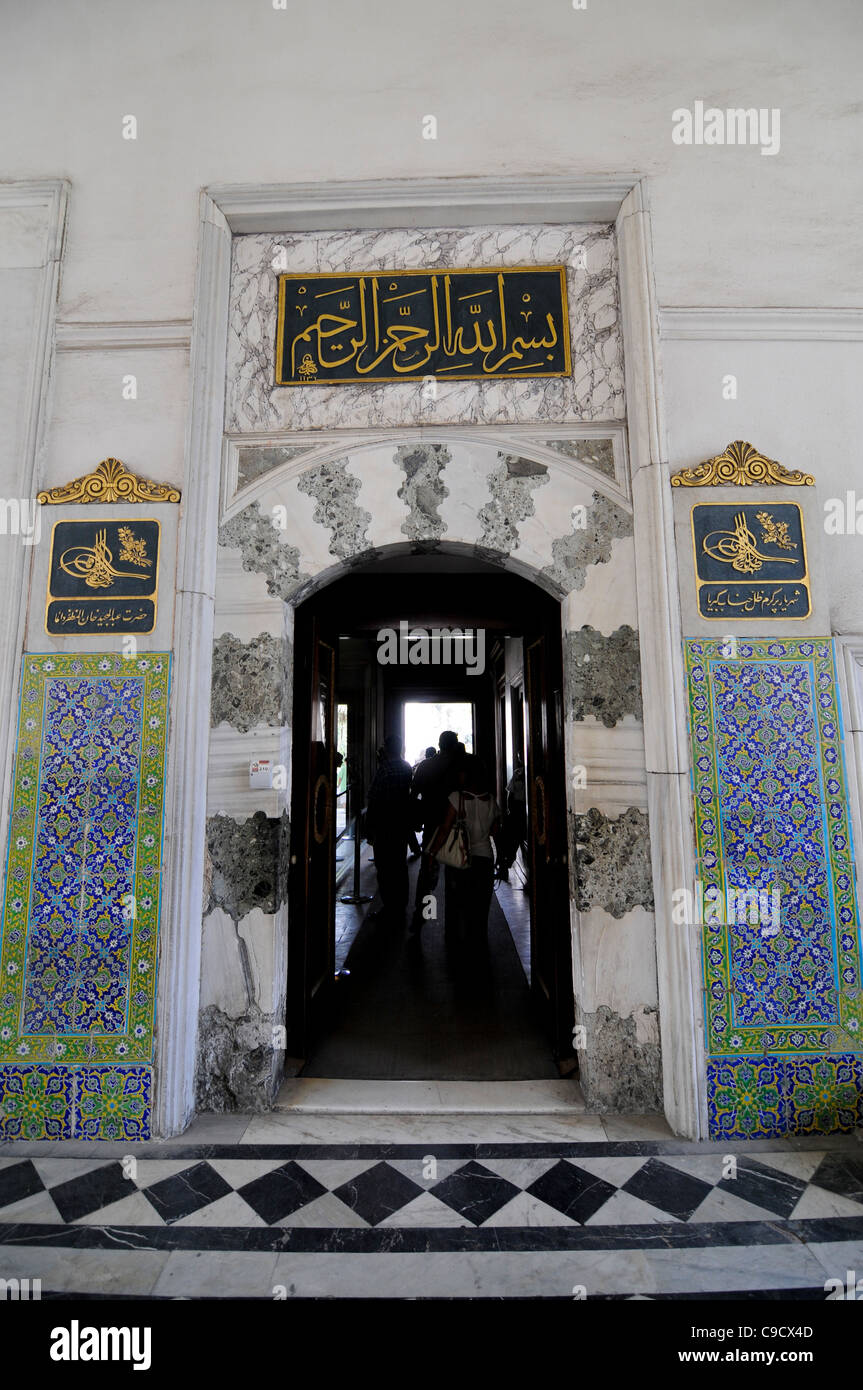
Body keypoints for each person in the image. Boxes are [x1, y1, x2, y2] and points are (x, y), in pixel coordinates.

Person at [429, 755, 500, 946]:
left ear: (466, 774)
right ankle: (478, 941)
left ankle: (457, 944)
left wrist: (431, 853)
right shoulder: (491, 800)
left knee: (458, 902)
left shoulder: (456, 798)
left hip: (461, 858)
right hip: (485, 857)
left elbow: (445, 830)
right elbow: (494, 831)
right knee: (481, 905)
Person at [408, 731, 463, 934]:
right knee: (456, 871)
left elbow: (414, 795)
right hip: (457, 825)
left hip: (432, 824)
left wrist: (416, 820)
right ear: (455, 744)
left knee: (427, 871)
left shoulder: (426, 765)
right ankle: (453, 922)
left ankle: (422, 916)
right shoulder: (462, 766)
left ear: (439, 744)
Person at [365, 733, 413, 923]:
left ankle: (389, 907)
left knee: (385, 868)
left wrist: (370, 827)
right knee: (400, 865)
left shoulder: (384, 769)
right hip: (401, 823)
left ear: (387, 748)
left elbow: (374, 799)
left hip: (385, 824)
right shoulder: (406, 767)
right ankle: (401, 905)